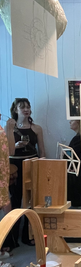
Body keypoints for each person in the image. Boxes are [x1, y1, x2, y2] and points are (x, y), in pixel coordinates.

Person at [4, 98, 46, 251]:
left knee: (32, 201)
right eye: (22, 107)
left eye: (28, 107)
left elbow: (42, 149)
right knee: (14, 201)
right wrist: (15, 145)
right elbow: (7, 150)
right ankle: (11, 239)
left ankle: (28, 235)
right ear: (15, 110)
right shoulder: (10, 127)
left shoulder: (37, 128)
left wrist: (43, 166)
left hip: (32, 164)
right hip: (15, 166)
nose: (26, 109)